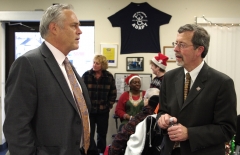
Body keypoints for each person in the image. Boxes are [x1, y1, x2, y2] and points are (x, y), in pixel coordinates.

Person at [3, 4, 96, 155]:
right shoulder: (28, 64)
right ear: (54, 28)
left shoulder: (68, 67)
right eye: (74, 26)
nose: (80, 31)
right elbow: (16, 125)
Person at [157, 24, 237, 155]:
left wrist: (189, 134)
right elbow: (162, 112)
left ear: (199, 50)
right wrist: (162, 119)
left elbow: (227, 129)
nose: (175, 49)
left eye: (182, 45)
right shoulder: (169, 78)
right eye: (175, 43)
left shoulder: (222, 83)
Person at [82, 55, 117, 154]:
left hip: (103, 111)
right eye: (93, 62)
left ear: (103, 65)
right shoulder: (86, 75)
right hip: (89, 111)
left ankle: (101, 152)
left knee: (102, 134)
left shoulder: (109, 76)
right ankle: (90, 152)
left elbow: (113, 93)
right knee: (89, 134)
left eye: (97, 63)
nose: (94, 65)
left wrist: (108, 106)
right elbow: (80, 92)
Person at [109, 88, 160, 155]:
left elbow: (120, 138)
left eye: (144, 98)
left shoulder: (140, 118)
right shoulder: (165, 118)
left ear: (147, 100)